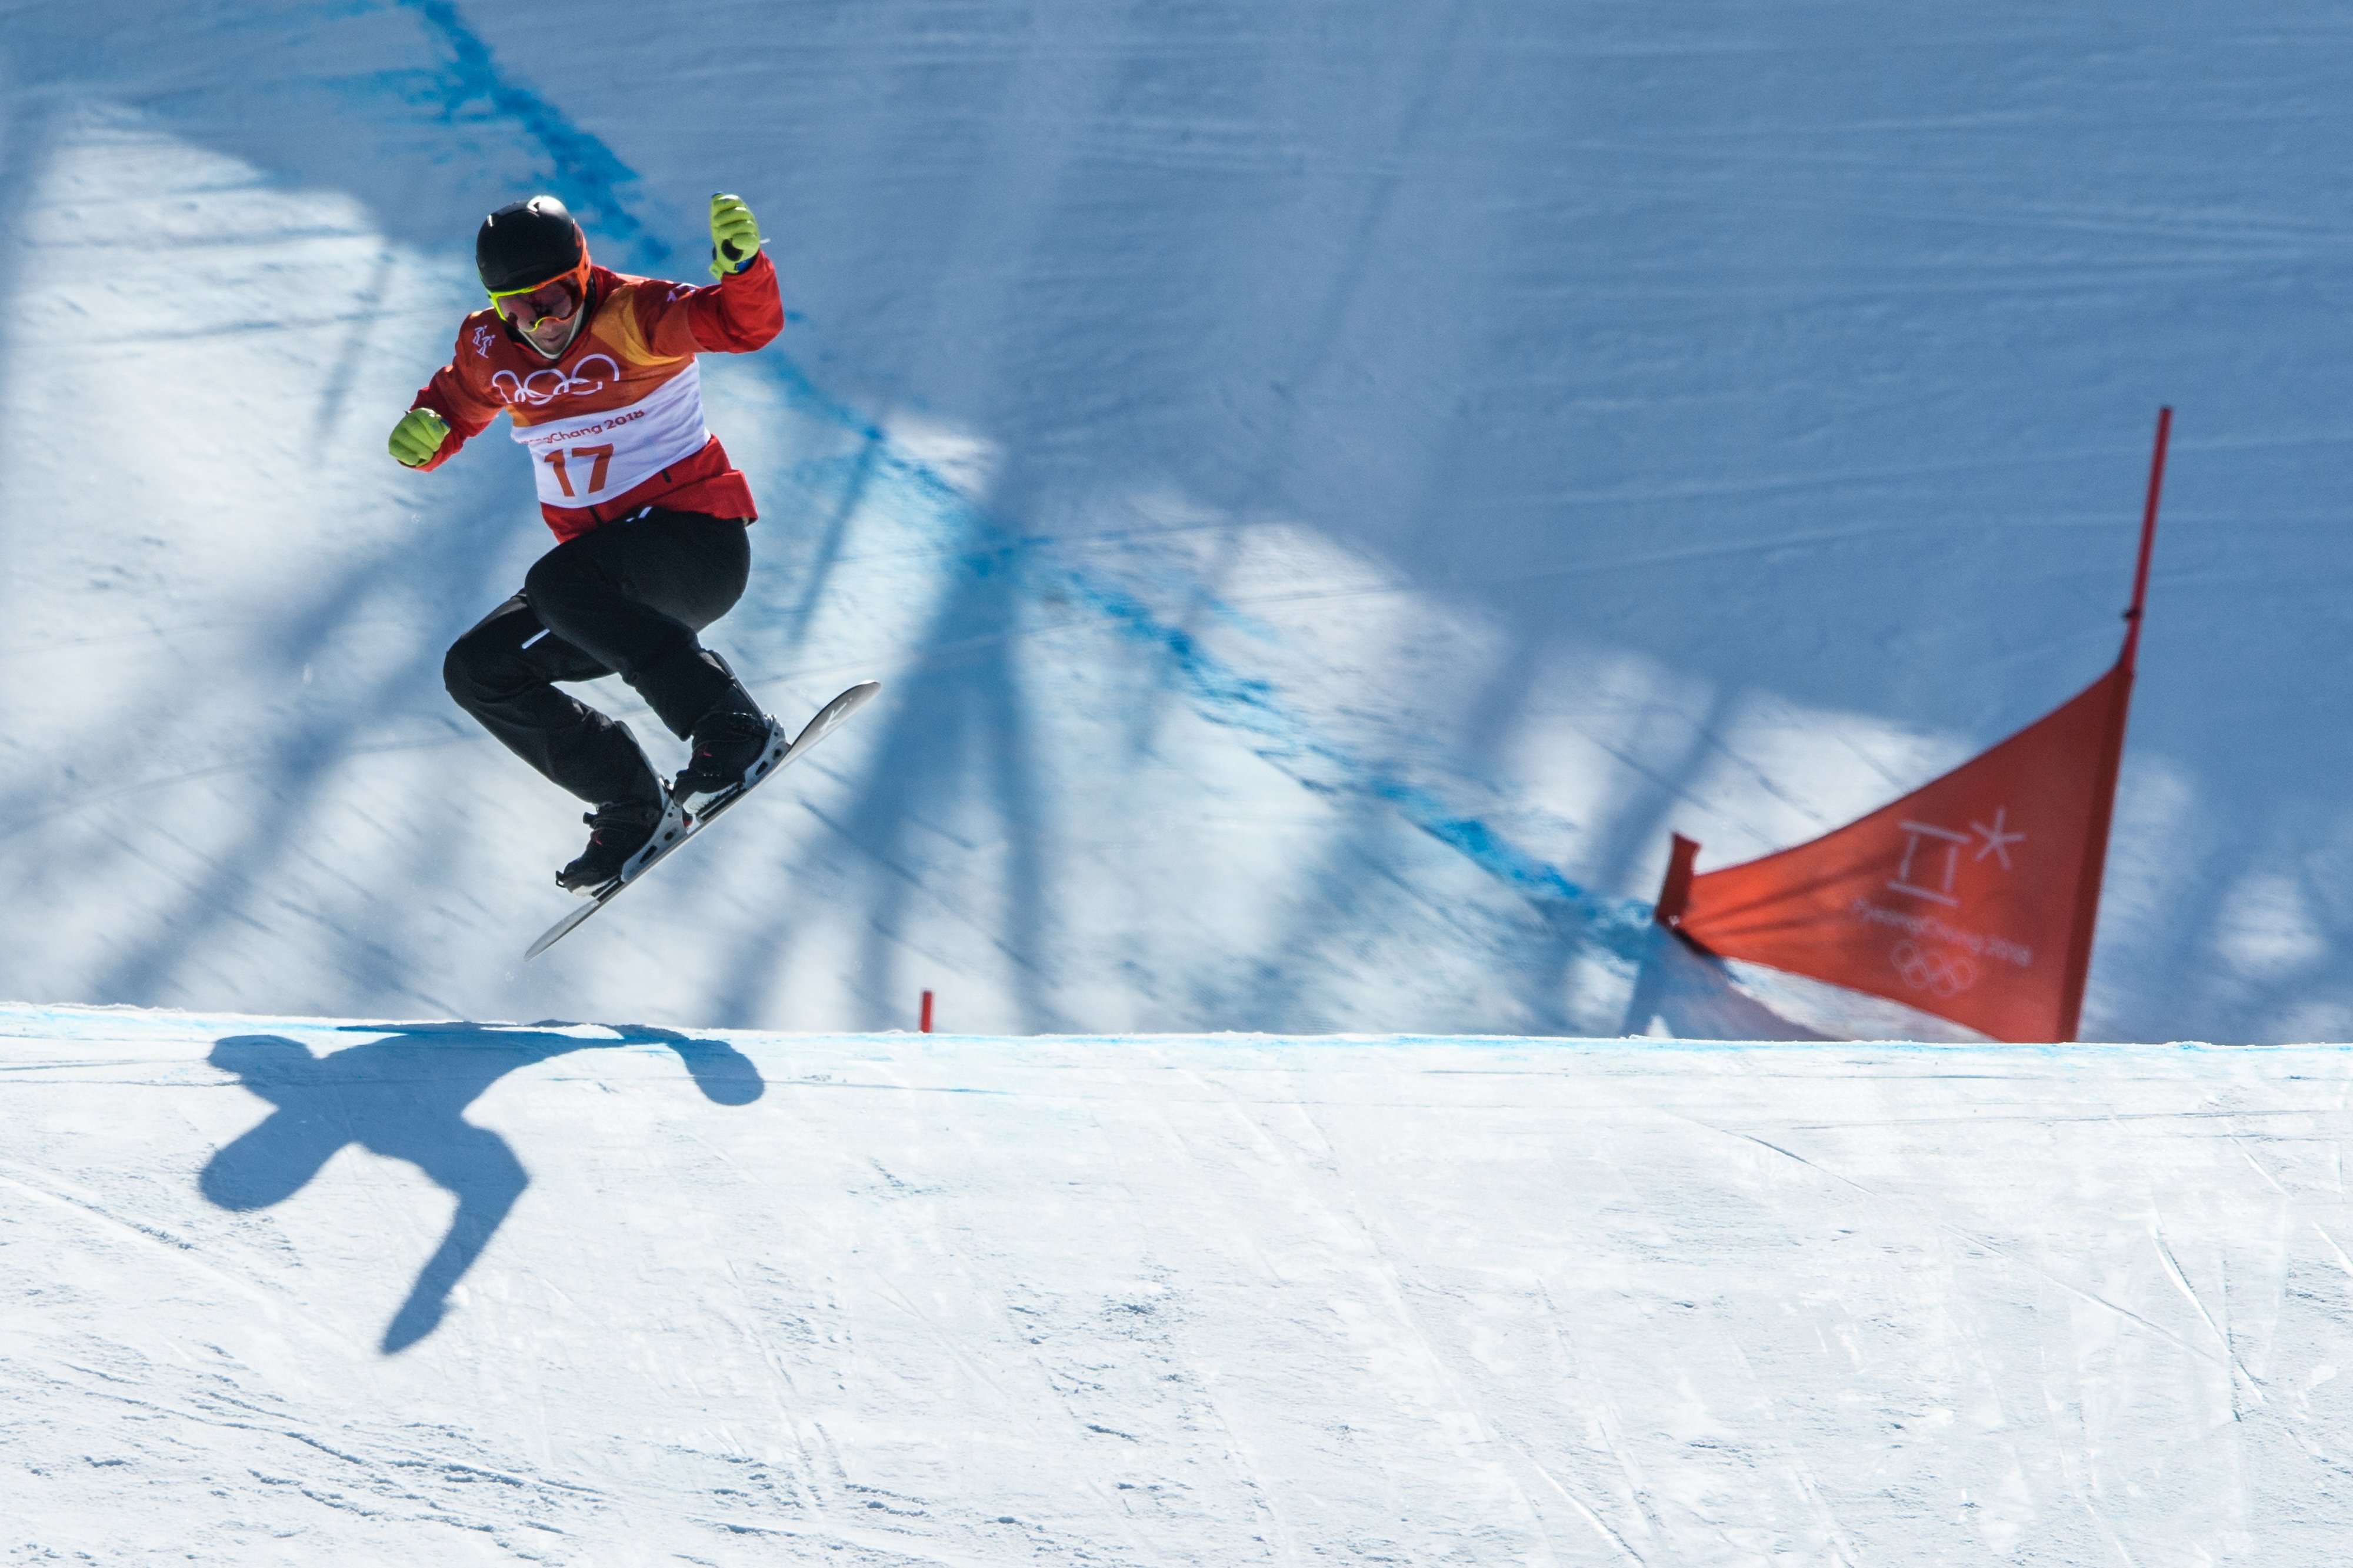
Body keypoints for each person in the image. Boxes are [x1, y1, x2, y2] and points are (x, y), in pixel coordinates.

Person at [389, 192, 786, 892]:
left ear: (585, 272)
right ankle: (633, 807)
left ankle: (731, 726)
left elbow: (738, 325)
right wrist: (427, 432)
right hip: (604, 592)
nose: (540, 322)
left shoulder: (634, 315)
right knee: (478, 669)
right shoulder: (489, 346)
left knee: (558, 582)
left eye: (557, 299)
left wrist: (743, 268)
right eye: (518, 306)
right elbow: (455, 401)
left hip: (695, 548)